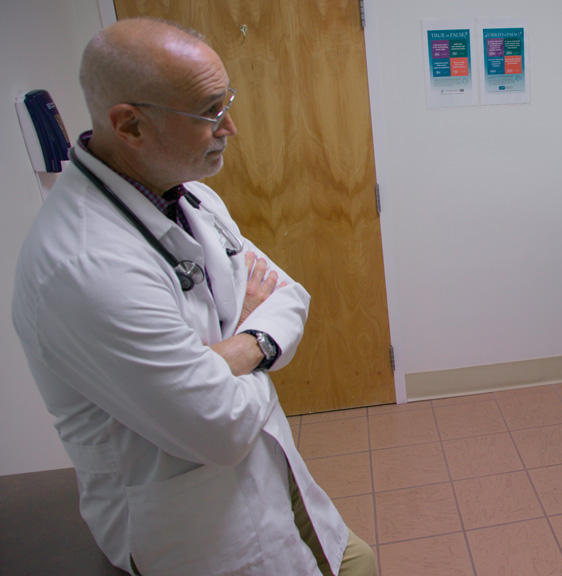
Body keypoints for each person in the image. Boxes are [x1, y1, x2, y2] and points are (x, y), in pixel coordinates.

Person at [11, 18, 376, 576]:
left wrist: (237, 349)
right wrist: (255, 347)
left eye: (226, 101)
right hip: (195, 536)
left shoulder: (194, 200)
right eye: (209, 112)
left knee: (359, 563)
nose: (230, 126)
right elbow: (221, 426)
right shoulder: (85, 266)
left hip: (269, 484)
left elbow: (291, 295)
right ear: (129, 124)